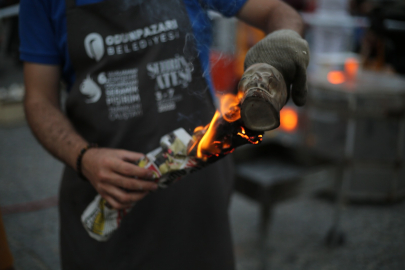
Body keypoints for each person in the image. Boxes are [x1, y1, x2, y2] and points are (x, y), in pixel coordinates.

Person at [19, 0, 309, 269]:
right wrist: (83, 157)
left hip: (194, 197)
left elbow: (277, 11)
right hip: (102, 193)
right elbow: (38, 100)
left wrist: (281, 45)